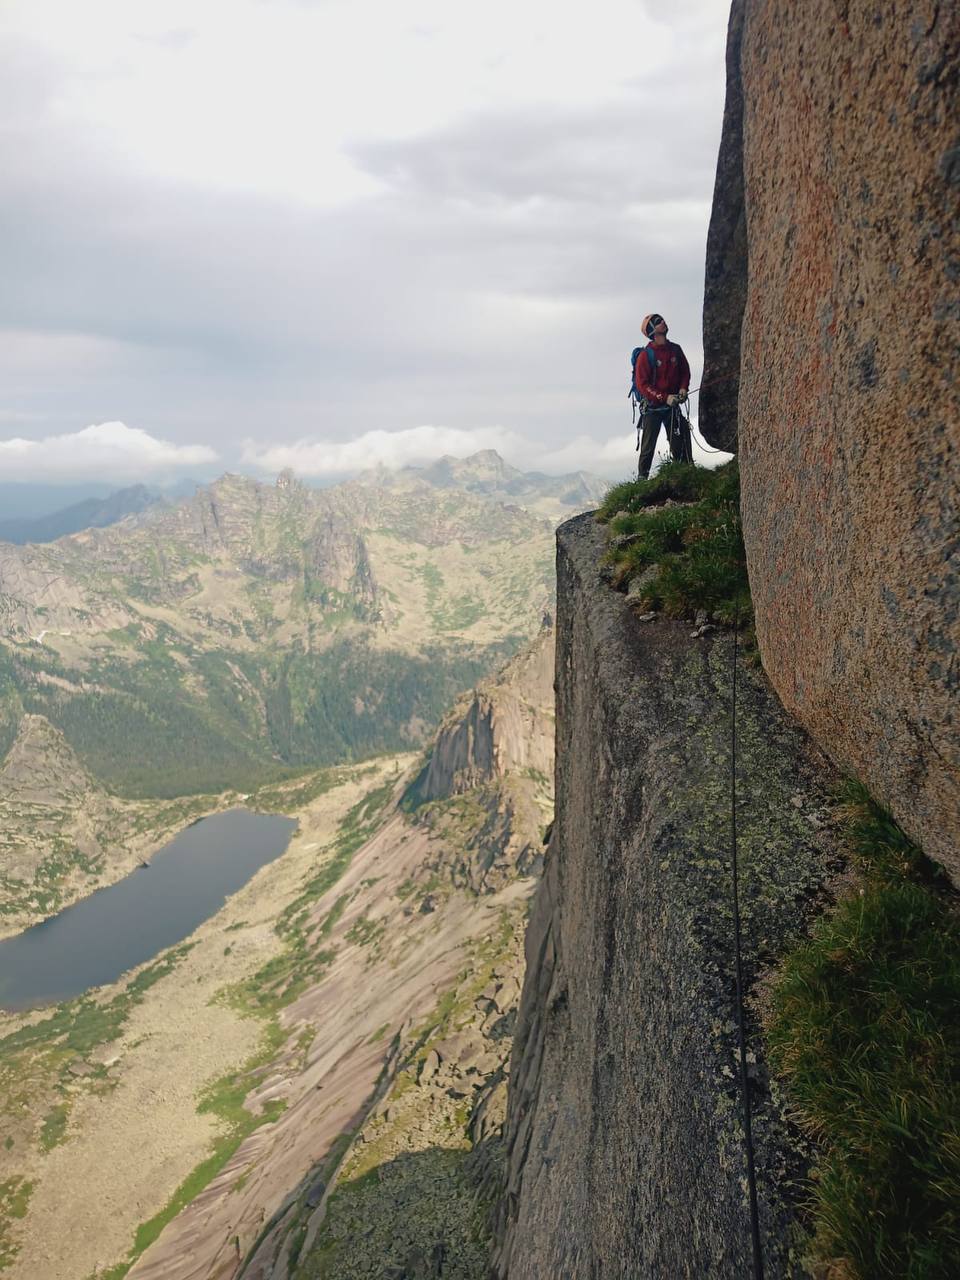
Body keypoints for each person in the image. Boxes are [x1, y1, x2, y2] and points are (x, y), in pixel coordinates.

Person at [634, 313, 692, 479]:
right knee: (648, 448)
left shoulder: (675, 350)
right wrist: (664, 397)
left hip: (671, 405)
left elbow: (685, 372)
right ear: (653, 330)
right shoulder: (646, 356)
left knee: (678, 441)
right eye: (658, 322)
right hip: (653, 408)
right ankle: (642, 479)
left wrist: (683, 388)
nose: (663, 322)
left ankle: (684, 474)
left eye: (661, 320)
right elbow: (642, 385)